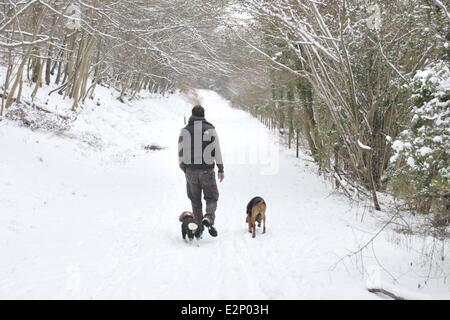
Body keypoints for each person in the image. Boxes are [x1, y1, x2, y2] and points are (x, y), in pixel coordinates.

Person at [178, 105, 224, 237]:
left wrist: (184, 168)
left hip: (191, 171)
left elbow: (180, 152)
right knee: (211, 197)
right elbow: (217, 151)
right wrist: (221, 168)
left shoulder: (184, 131)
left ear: (192, 114)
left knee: (195, 200)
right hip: (207, 171)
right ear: (204, 115)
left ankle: (198, 229)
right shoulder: (211, 129)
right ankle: (208, 217)